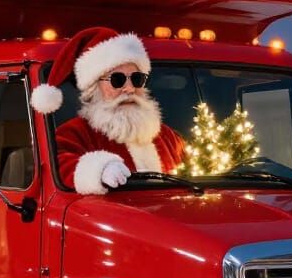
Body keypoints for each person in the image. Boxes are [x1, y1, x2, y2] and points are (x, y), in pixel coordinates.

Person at [30, 26, 185, 194]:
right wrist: (97, 169)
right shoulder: (75, 133)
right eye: (117, 80)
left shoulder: (168, 137)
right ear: (94, 89)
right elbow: (56, 164)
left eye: (137, 79)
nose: (130, 89)